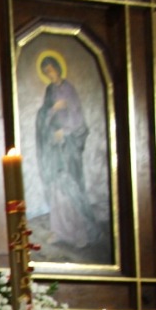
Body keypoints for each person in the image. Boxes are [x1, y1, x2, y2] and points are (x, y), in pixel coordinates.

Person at [34, 54, 99, 252]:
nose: (50, 74)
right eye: (46, 72)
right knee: (56, 187)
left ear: (58, 68)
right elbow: (43, 116)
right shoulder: (50, 91)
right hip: (54, 145)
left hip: (69, 146)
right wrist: (53, 109)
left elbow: (78, 118)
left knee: (70, 186)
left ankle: (79, 233)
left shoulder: (69, 89)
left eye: (51, 70)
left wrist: (66, 131)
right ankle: (60, 231)